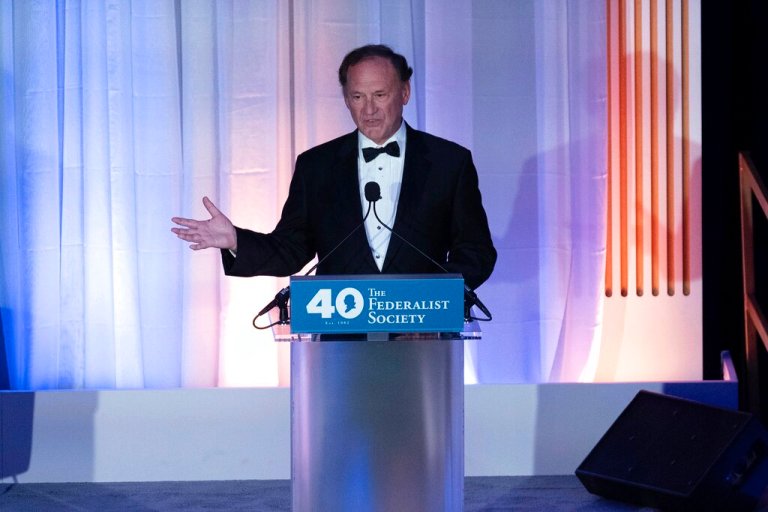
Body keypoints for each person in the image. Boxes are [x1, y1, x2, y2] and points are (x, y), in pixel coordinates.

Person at [171, 44, 496, 291]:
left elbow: (476, 251)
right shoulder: (317, 167)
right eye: (357, 97)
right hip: (341, 343)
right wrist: (237, 240)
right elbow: (292, 249)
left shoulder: (449, 163)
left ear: (405, 92)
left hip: (424, 337)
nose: (368, 109)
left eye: (380, 95)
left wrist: (438, 295)